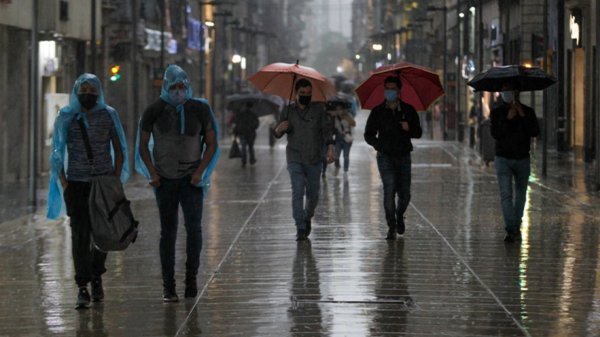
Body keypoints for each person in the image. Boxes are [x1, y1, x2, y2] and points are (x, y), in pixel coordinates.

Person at [47, 73, 130, 309]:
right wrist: (65, 182)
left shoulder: (109, 115)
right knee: (80, 237)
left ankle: (96, 275)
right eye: (84, 90)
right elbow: (57, 151)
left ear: (99, 92)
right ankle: (83, 286)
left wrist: (114, 178)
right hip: (77, 184)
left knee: (104, 235)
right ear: (76, 91)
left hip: (103, 184)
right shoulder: (67, 116)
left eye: (92, 91)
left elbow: (120, 147)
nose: (88, 95)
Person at [137, 64, 218, 302]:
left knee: (194, 230)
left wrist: (200, 172)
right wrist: (152, 173)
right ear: (166, 86)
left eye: (182, 86)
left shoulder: (200, 110)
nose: (179, 91)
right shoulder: (154, 111)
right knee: (168, 233)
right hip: (165, 181)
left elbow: (211, 143)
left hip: (191, 181)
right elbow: (142, 145)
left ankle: (191, 278)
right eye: (174, 86)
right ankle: (168, 285)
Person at [274, 78, 335, 241]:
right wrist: (279, 130)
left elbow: (327, 131)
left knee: (313, 195)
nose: (306, 96)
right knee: (298, 190)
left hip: (314, 158)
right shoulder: (287, 111)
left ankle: (307, 217)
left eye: (309, 93)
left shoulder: (319, 110)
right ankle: (300, 226)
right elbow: (278, 131)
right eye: (302, 93)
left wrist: (330, 148)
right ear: (296, 93)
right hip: (294, 157)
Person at [364, 76, 422, 240]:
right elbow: (368, 134)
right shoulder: (378, 111)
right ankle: (391, 226)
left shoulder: (408, 110)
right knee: (389, 190)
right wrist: (379, 145)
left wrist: (408, 128)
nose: (390, 91)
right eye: (387, 88)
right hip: (385, 157)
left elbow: (418, 133)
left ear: (398, 90)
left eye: (393, 88)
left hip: (403, 156)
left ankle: (399, 215)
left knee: (405, 194)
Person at [490, 87, 539, 242]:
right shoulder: (497, 112)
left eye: (510, 90)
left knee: (521, 195)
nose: (507, 93)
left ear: (517, 93)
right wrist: (508, 119)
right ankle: (511, 228)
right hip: (503, 158)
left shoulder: (528, 111)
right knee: (506, 194)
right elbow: (496, 134)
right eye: (504, 90)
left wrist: (522, 116)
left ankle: (515, 226)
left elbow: (535, 131)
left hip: (522, 158)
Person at [233, 102, 259, 167]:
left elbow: (237, 122)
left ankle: (244, 161)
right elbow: (257, 124)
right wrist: (252, 127)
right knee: (251, 147)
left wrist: (236, 132)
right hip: (251, 133)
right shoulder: (253, 115)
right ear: (251, 107)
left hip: (242, 133)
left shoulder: (241, 114)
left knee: (243, 147)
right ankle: (252, 160)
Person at [332, 104, 356, 172]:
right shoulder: (335, 117)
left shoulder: (348, 115)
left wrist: (346, 118)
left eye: (340, 109)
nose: (338, 111)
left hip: (347, 137)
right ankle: (337, 166)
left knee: (346, 156)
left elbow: (354, 124)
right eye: (337, 109)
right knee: (336, 155)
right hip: (338, 138)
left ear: (343, 109)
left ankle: (345, 171)